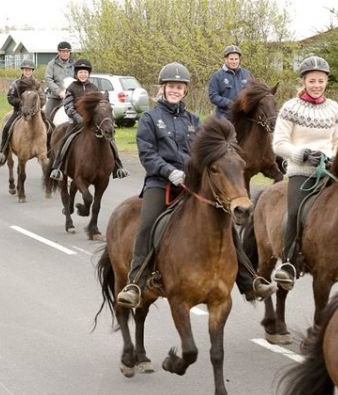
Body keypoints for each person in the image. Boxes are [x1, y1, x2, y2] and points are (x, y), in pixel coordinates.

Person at [117, 62, 276, 308]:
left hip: (192, 184)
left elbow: (205, 154)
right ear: (163, 88)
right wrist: (169, 171)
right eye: (171, 86)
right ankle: (136, 281)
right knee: (148, 223)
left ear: (185, 91)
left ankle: (249, 280)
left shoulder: (194, 120)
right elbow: (147, 154)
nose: (175, 90)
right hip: (160, 183)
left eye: (179, 87)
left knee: (225, 222)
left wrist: (199, 172)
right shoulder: (150, 118)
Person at [271, 55, 338, 287]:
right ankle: (290, 263)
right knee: (294, 214)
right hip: (301, 173)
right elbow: (279, 144)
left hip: (330, 171)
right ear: (303, 81)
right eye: (312, 81)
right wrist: (301, 155)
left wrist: (333, 158)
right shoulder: (290, 108)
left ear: (326, 82)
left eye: (321, 81)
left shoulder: (334, 108)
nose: (317, 85)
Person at [49, 59, 128, 181]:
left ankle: (118, 166)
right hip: (76, 122)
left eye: (85, 72)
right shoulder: (72, 88)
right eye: (81, 72)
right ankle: (57, 167)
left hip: (92, 123)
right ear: (76, 73)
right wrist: (78, 118)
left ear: (88, 73)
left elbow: (99, 106)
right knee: (66, 139)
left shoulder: (94, 88)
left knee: (110, 139)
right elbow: (68, 106)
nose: (83, 74)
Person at [0, 60, 49, 163]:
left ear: (32, 71)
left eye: (29, 70)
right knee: (7, 127)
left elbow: (43, 97)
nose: (27, 71)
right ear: (22, 70)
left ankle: (48, 150)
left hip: (35, 112)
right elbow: (10, 97)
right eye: (25, 70)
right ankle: (3, 150)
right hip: (19, 111)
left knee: (49, 125)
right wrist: (22, 103)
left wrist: (37, 105)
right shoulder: (16, 83)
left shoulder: (37, 84)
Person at [208, 45, 253, 119]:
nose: (234, 62)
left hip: (244, 117)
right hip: (224, 116)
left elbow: (253, 92)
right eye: (231, 59)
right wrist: (229, 103)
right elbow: (213, 96)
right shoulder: (217, 76)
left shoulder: (247, 74)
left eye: (236, 59)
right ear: (225, 59)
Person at [44, 41, 74, 118]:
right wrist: (59, 91)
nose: (65, 53)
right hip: (55, 98)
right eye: (63, 51)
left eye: (67, 52)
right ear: (59, 52)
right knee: (46, 117)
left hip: (72, 97)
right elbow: (48, 79)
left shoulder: (74, 64)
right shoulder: (51, 64)